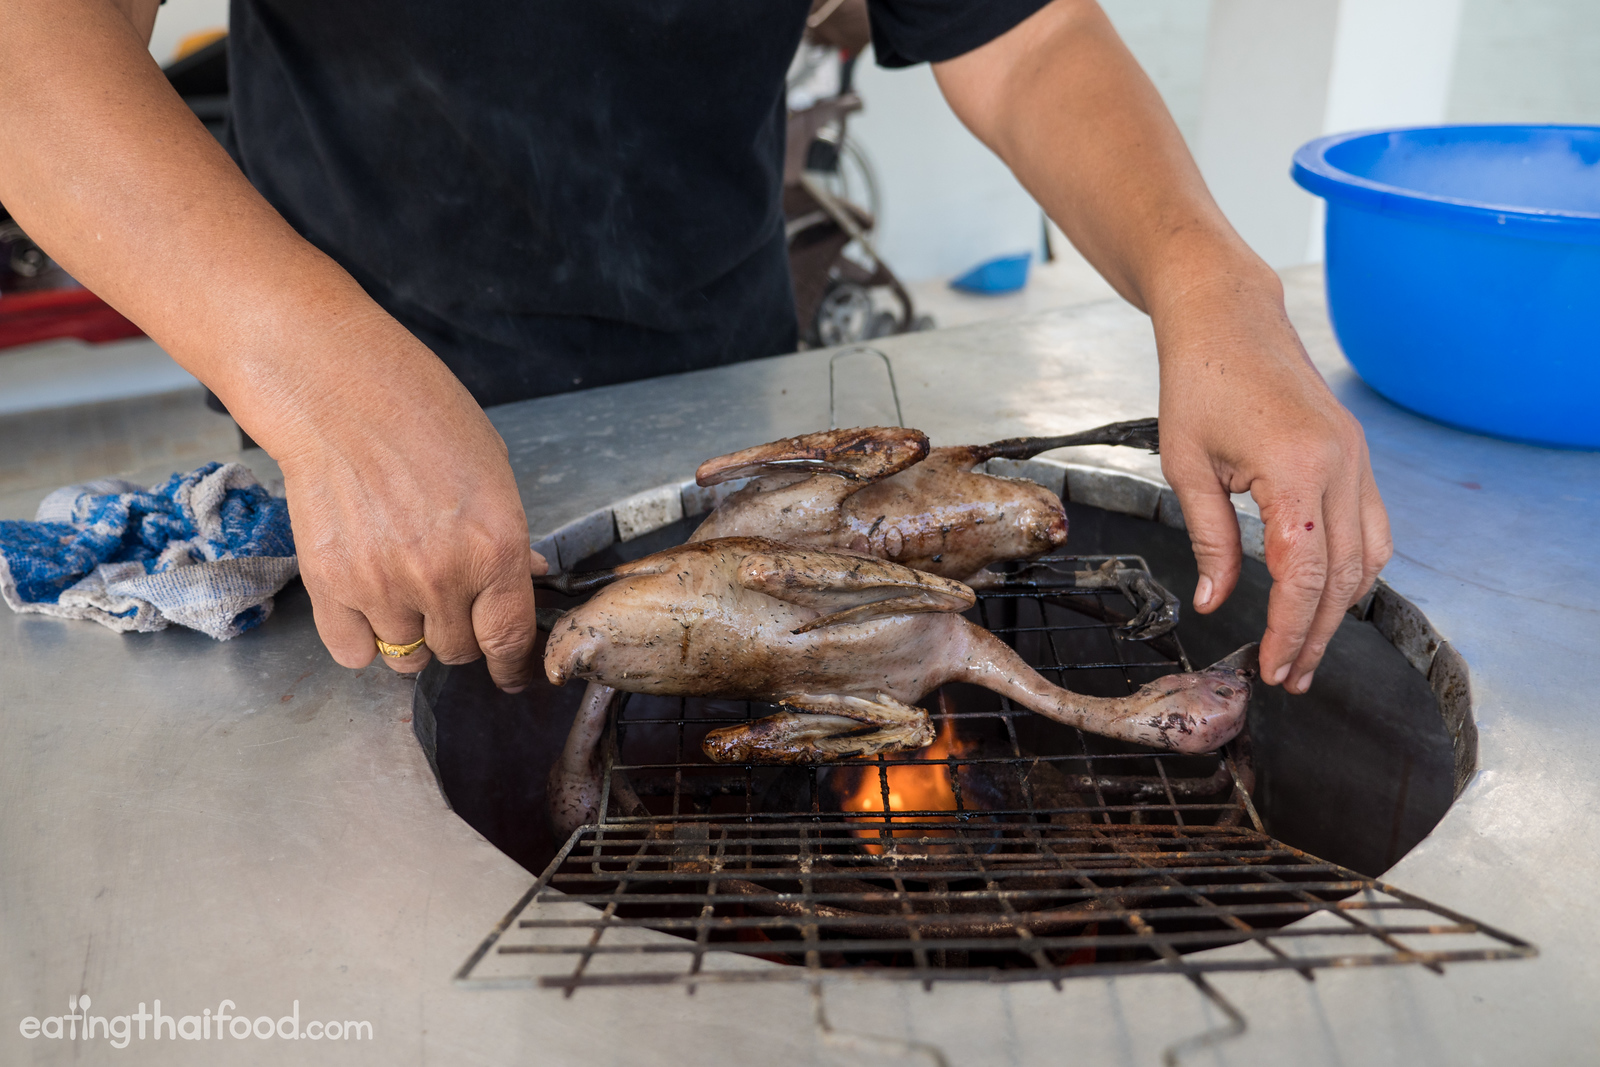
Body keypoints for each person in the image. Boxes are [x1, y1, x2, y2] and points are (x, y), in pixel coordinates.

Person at [0, 0, 1389, 698]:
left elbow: (1023, 41)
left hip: (722, 397)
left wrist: (1211, 278)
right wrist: (318, 380)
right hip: (358, 441)